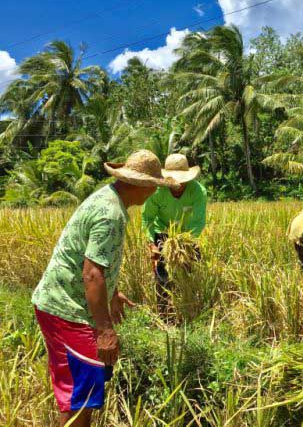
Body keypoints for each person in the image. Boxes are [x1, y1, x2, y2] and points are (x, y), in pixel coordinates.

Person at [31, 150, 177, 427]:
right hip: (66, 309)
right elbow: (93, 274)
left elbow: (99, 262)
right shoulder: (111, 213)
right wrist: (105, 330)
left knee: (82, 386)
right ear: (140, 185)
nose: (153, 194)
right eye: (153, 187)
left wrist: (113, 293)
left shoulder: (108, 197)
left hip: (65, 303)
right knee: (80, 394)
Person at [141, 154, 207, 319]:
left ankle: (191, 307)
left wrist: (185, 244)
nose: (178, 184)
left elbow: (198, 222)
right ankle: (165, 312)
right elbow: (147, 219)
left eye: (181, 180)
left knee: (192, 269)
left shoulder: (198, 191)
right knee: (162, 273)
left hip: (187, 234)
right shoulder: (156, 192)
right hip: (163, 232)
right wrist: (152, 244)